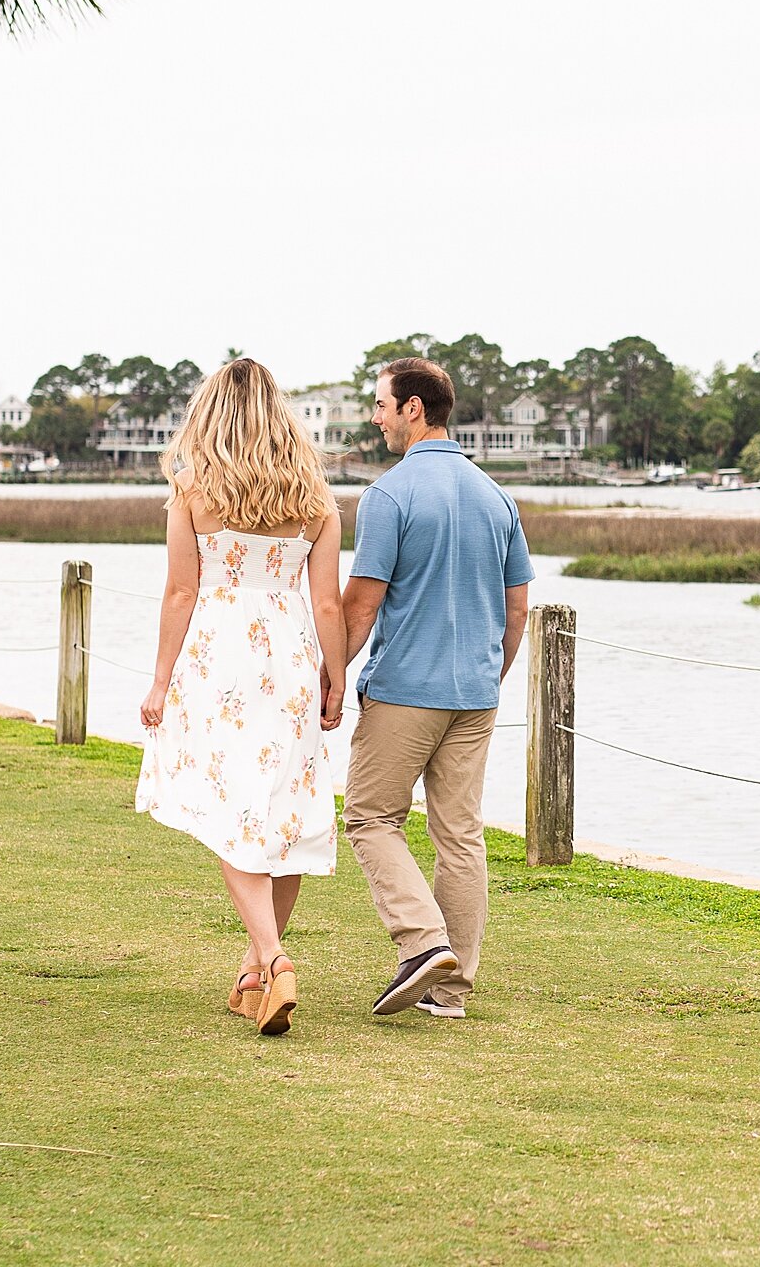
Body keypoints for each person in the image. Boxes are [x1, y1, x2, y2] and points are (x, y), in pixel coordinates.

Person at [134, 358, 348, 1036]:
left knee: (230, 809)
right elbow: (325, 602)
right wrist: (334, 675)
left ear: (211, 415)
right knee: (278, 813)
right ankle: (256, 972)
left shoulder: (190, 488)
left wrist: (161, 679)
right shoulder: (315, 498)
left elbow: (181, 592)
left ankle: (277, 958)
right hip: (288, 659)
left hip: (217, 661)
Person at [342, 356, 533, 1019]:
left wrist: (327, 679)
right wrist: (490, 676)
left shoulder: (389, 494)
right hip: (476, 694)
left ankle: (424, 945)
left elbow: (361, 605)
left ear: (413, 409)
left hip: (404, 692)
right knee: (460, 835)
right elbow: (518, 609)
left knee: (370, 818)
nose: (376, 417)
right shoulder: (496, 496)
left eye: (382, 404)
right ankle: (449, 994)